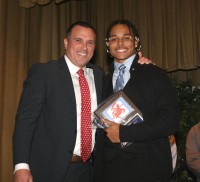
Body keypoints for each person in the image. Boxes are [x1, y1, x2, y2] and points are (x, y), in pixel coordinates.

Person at [13, 21, 151, 182]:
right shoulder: (44, 73)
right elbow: (25, 122)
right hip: (48, 170)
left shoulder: (99, 75)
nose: (84, 47)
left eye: (90, 42)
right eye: (78, 40)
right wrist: (21, 167)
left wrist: (141, 65)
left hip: (88, 170)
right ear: (66, 43)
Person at [94, 19, 179, 182]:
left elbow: (170, 121)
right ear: (107, 44)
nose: (119, 43)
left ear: (136, 42)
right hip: (109, 172)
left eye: (126, 37)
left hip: (147, 170)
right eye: (113, 39)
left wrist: (123, 133)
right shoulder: (101, 81)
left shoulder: (155, 74)